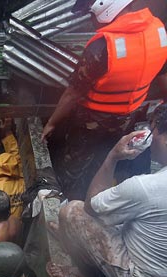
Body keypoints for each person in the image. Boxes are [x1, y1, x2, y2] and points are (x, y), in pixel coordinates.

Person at [41, 0, 167, 199]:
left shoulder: (102, 46)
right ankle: (103, 189)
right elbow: (163, 73)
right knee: (110, 156)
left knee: (75, 165)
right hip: (127, 119)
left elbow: (73, 92)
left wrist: (51, 123)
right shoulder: (158, 30)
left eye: (91, 14)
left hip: (91, 122)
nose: (92, 21)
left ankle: (71, 199)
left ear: (105, 8)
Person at [46, 103, 167, 277]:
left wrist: (113, 157)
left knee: (71, 211)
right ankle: (74, 239)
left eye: (152, 129)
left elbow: (91, 206)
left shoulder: (145, 187)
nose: (149, 136)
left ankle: (82, 273)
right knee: (124, 211)